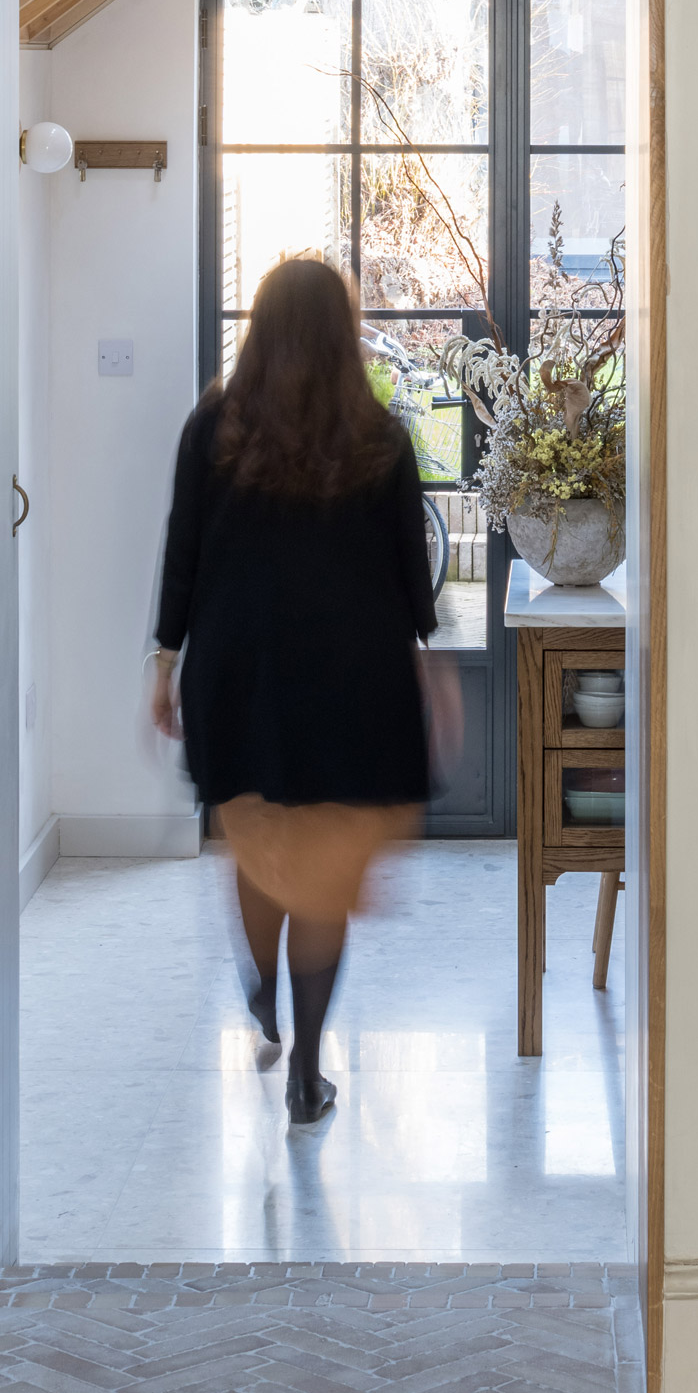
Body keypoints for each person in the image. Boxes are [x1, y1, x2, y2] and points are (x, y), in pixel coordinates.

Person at [148, 256, 462, 1127]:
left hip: (237, 676)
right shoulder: (381, 435)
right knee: (324, 870)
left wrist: (165, 659)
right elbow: (412, 576)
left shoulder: (211, 427)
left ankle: (261, 996)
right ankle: (307, 1073)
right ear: (340, 333)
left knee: (259, 842)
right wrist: (431, 669)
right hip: (351, 682)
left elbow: (186, 548)